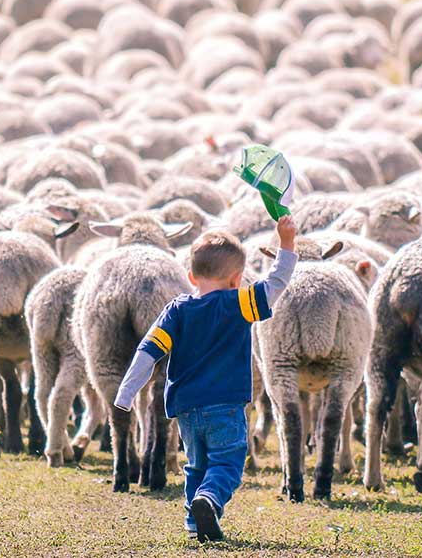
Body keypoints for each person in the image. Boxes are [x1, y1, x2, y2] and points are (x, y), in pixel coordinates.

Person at [114, 215, 298, 542]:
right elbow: (277, 283)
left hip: (185, 409)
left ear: (190, 276)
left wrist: (127, 392)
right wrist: (286, 243)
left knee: (195, 466)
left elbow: (149, 350)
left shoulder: (176, 310)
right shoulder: (240, 302)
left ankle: (194, 524)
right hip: (225, 406)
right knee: (226, 463)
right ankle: (209, 500)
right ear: (236, 279)